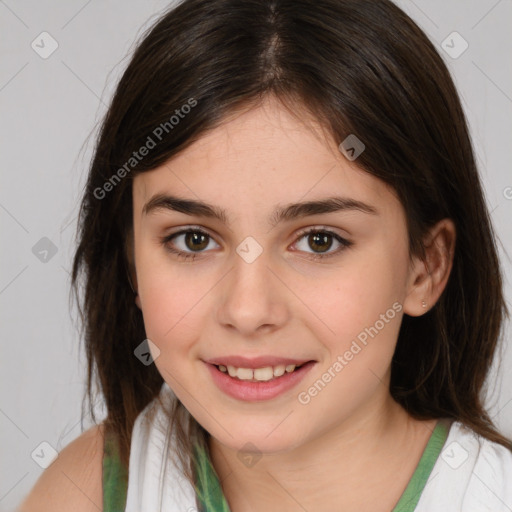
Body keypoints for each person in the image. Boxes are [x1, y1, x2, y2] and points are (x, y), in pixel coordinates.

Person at [19, 0, 512, 511]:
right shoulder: (89, 493)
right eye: (193, 240)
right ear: (130, 262)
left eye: (320, 240)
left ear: (425, 268)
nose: (248, 311)